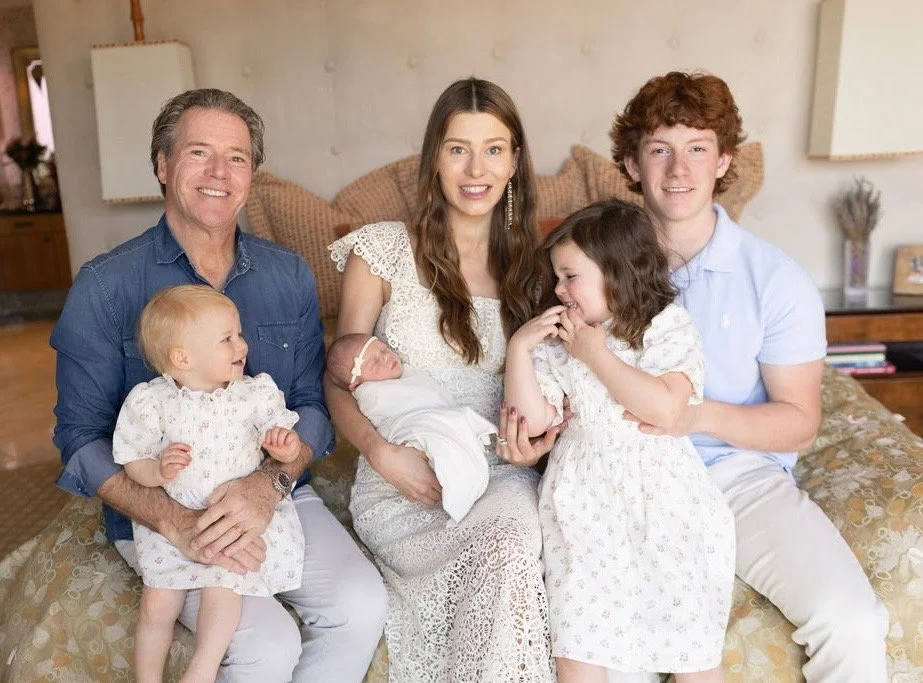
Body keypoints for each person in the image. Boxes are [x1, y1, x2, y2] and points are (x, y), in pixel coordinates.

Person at [51, 88, 387, 681]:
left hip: (276, 496)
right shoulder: (106, 286)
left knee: (361, 606)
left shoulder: (288, 274)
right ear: (161, 164)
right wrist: (176, 522)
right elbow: (80, 438)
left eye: (236, 158)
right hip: (170, 510)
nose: (218, 174)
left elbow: (310, 405)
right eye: (198, 153)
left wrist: (269, 484)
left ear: (252, 175)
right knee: (267, 645)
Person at [609, 71, 888, 681]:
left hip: (736, 475)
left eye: (697, 148)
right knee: (610, 650)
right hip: (620, 477)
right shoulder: (590, 266)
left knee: (853, 621)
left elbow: (799, 424)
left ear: (724, 161)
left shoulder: (776, 278)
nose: (678, 169)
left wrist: (693, 417)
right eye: (659, 149)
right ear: (632, 164)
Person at [326, 77, 558, 681]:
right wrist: (381, 454)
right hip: (402, 479)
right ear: (433, 159)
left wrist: (535, 448)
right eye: (458, 148)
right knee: (503, 543)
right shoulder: (381, 252)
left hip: (499, 472)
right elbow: (336, 378)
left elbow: (553, 387)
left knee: (511, 538)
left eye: (494, 149)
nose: (475, 168)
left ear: (515, 162)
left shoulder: (537, 270)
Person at [505, 199, 735, 683]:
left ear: (618, 272)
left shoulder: (665, 327)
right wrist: (520, 351)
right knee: (578, 644)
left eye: (570, 277)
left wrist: (595, 353)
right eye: (556, 277)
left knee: (688, 644)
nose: (558, 289)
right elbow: (530, 422)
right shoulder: (559, 342)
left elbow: (666, 408)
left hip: (663, 504)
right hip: (583, 508)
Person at [114, 285, 306, 682]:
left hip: (229, 519)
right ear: (182, 357)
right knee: (156, 605)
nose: (243, 345)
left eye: (239, 333)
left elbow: (287, 447)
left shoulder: (252, 394)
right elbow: (133, 460)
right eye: (227, 339)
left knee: (223, 591)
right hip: (173, 523)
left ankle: (201, 669)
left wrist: (283, 446)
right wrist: (159, 471)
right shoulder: (152, 402)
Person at [327, 333, 495, 523]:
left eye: (384, 349)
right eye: (374, 363)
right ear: (356, 384)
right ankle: (455, 483)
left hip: (496, 466)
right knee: (436, 442)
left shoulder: (408, 375)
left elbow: (431, 400)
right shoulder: (371, 394)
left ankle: (462, 478)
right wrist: (379, 452)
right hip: (399, 457)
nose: (385, 357)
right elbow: (341, 388)